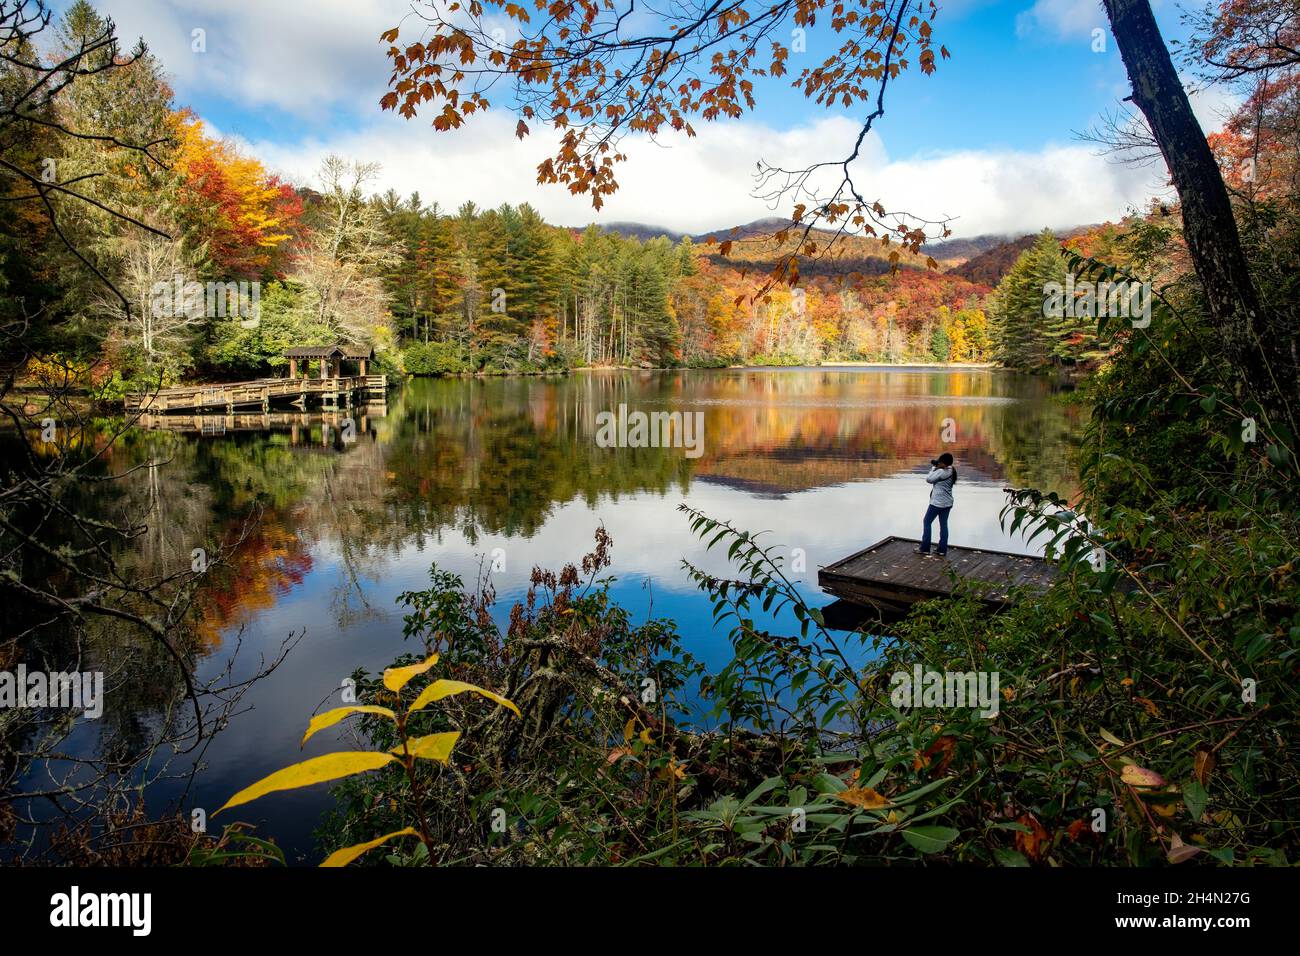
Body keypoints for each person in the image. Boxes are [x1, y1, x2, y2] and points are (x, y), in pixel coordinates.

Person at [916, 452, 957, 558]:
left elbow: (929, 479)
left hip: (937, 503)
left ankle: (925, 548)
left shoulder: (941, 472)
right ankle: (942, 550)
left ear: (943, 463)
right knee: (943, 525)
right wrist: (938, 466)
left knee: (927, 522)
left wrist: (934, 468)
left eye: (940, 461)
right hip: (948, 503)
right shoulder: (952, 470)